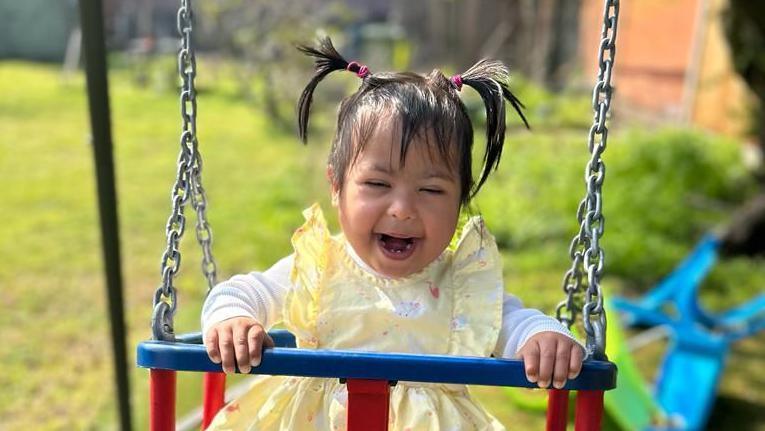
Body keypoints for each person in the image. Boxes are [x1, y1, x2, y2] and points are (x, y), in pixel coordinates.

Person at [201, 37, 585, 430]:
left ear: (461, 201)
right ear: (336, 187)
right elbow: (242, 293)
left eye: (431, 190)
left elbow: (515, 322)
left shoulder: (462, 287)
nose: (402, 208)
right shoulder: (320, 268)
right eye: (378, 185)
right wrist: (233, 320)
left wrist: (543, 336)